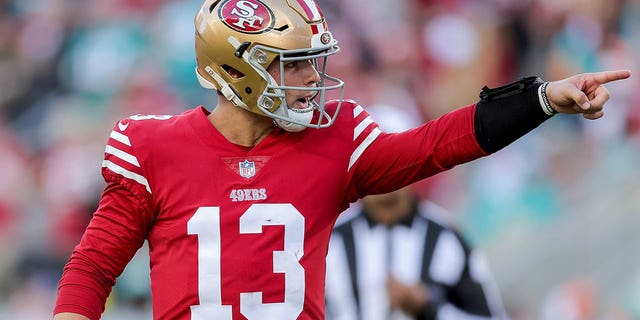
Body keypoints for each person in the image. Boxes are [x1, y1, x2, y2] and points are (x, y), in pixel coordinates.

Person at [52, 0, 631, 319]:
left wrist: (542, 99)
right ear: (235, 72)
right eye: (294, 64)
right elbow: (93, 268)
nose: (312, 79)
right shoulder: (152, 148)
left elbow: (435, 145)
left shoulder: (335, 141)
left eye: (313, 61)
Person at [325, 105, 507, 320]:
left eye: (391, 158)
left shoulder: (447, 237)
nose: (380, 170)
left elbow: (493, 317)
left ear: (412, 161)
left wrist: (429, 310)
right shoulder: (329, 240)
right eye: (370, 161)